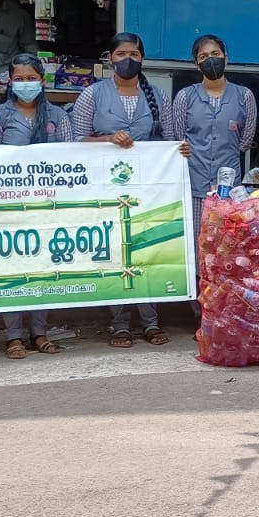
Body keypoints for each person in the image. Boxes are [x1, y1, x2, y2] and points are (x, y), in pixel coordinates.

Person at [70, 32, 171, 348]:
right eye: (121, 54)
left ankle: (151, 321)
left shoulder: (156, 96)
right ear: (109, 58)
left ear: (143, 59)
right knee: (115, 253)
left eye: (135, 54)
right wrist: (107, 140)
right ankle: (119, 323)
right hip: (105, 187)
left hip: (147, 188)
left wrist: (179, 152)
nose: (128, 60)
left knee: (146, 251)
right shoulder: (93, 95)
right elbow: (74, 140)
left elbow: (170, 140)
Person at [0, 53, 76, 359]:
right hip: (9, 206)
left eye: (31, 78)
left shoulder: (58, 117)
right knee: (11, 268)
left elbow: (69, 159)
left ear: (42, 80)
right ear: (10, 82)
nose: (26, 84)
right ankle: (13, 336)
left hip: (47, 205)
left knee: (42, 269)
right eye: (19, 79)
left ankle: (40, 332)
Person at [170, 34, 258, 225]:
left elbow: (245, 142)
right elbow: (177, 140)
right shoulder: (185, 97)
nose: (210, 59)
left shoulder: (244, 96)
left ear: (226, 57)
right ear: (196, 64)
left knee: (226, 244)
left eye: (215, 53)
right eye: (203, 57)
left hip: (229, 189)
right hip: (193, 185)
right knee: (194, 242)